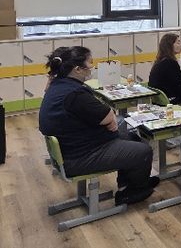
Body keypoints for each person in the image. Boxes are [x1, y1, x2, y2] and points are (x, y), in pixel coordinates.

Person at [39, 46, 158, 206]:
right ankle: (131, 193)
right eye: (90, 63)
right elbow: (108, 115)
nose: (92, 67)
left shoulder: (58, 85)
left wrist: (110, 120)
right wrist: (110, 120)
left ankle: (127, 183)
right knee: (143, 150)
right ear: (77, 69)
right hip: (80, 157)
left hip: (70, 149)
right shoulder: (75, 94)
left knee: (129, 136)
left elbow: (105, 116)